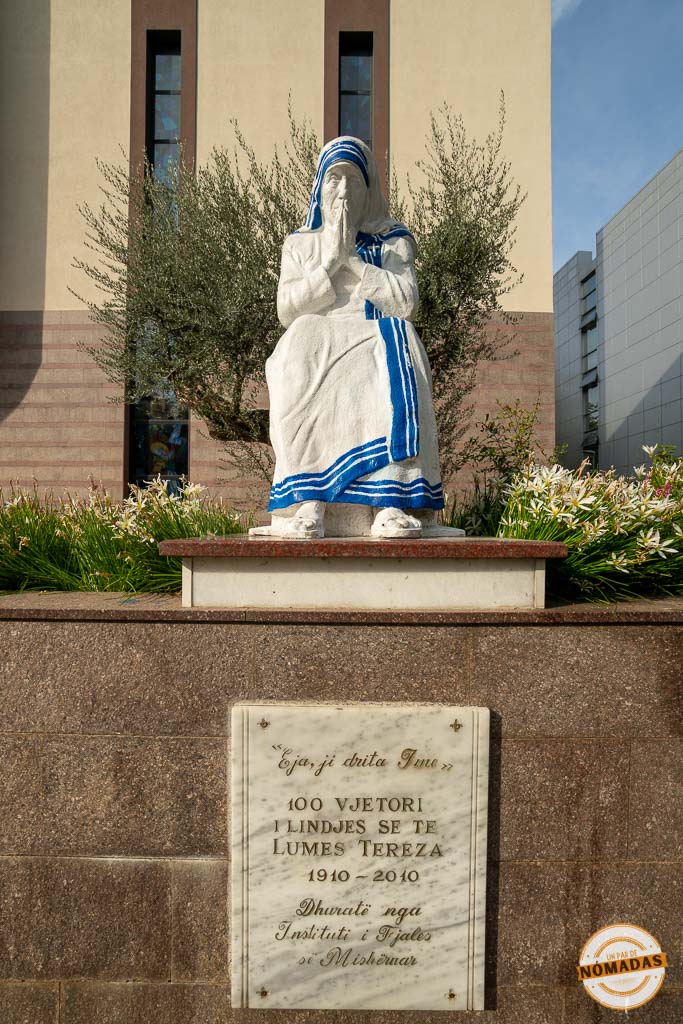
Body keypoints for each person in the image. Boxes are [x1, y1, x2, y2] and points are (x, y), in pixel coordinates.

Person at [253, 136, 454, 539]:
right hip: (319, 333)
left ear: (368, 190)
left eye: (353, 182)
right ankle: (309, 499)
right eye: (334, 180)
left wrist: (354, 263)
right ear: (319, 187)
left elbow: (406, 303)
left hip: (375, 331)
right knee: (299, 339)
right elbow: (287, 309)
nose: (343, 191)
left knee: (401, 339)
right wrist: (328, 266)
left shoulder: (393, 242)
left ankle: (389, 503)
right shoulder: (300, 245)